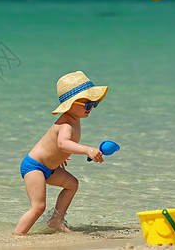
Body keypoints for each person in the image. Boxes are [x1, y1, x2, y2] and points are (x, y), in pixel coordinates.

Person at [13, 71, 108, 235]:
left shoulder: (75, 121)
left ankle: (56, 220)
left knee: (72, 184)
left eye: (93, 104)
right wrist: (87, 149)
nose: (90, 108)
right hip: (34, 166)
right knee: (38, 206)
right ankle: (16, 236)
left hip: (50, 167)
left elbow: (60, 146)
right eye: (86, 105)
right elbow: (63, 142)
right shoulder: (66, 123)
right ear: (70, 105)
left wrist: (59, 156)